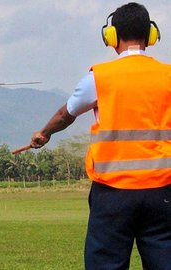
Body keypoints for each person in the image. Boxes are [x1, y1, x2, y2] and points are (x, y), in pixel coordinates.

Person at [26, 3, 171, 269]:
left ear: (111, 36)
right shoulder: (168, 76)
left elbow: (65, 114)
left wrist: (44, 134)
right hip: (162, 191)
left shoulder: (100, 78)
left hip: (112, 193)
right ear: (151, 35)